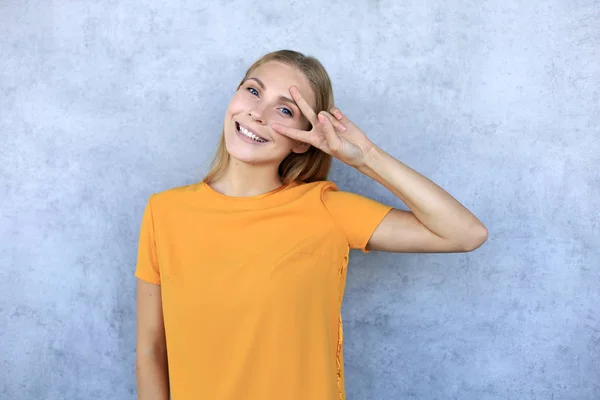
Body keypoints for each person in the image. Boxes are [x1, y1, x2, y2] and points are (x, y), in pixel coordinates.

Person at [134, 49, 488, 400]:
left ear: (304, 140)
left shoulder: (326, 210)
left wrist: (366, 157)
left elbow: (465, 233)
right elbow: (151, 351)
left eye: (285, 110)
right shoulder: (164, 211)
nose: (258, 113)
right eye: (253, 91)